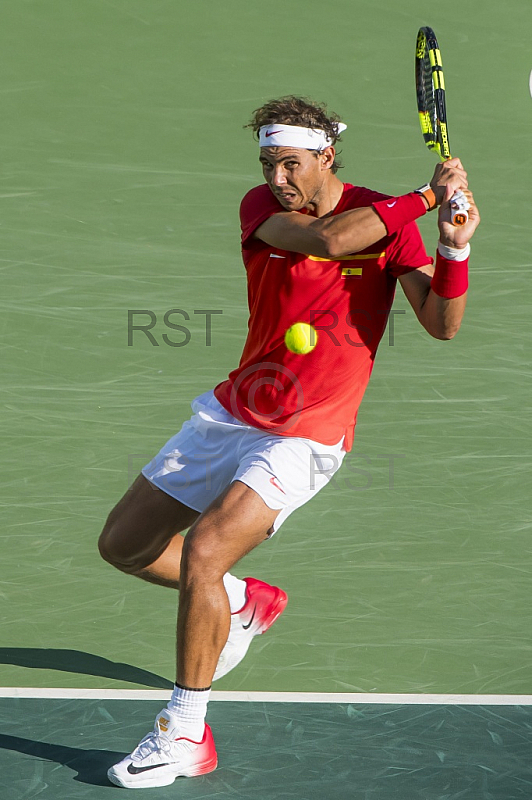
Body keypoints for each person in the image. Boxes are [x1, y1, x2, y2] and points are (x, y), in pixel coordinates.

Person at [99, 95, 479, 788]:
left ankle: (185, 733)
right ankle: (242, 604)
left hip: (308, 433)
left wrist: (454, 246)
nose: (277, 178)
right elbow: (333, 242)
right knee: (123, 546)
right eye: (269, 163)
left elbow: (442, 323)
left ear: (327, 155)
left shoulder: (386, 222)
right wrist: (427, 193)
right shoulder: (263, 211)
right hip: (234, 411)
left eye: (291, 164)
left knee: (206, 550)